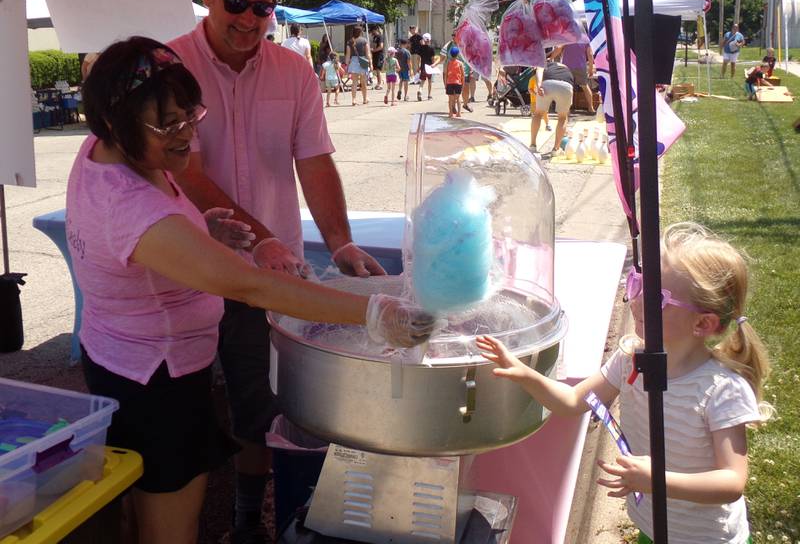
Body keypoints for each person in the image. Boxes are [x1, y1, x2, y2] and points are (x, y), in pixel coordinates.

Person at [68, 36, 435, 544]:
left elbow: (144, 246)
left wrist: (198, 231)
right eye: (166, 124)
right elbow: (253, 287)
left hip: (125, 357)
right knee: (169, 521)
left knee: (137, 495)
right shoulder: (130, 207)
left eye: (188, 116)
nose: (184, 136)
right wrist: (375, 313)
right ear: (112, 121)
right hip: (155, 379)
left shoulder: (103, 153)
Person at [169, 0, 390, 544]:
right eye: (235, 5)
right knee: (176, 409)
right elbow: (183, 172)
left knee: (257, 400)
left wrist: (340, 242)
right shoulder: (170, 66)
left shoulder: (294, 71)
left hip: (268, 277)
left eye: (261, 8)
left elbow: (314, 162)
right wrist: (261, 238)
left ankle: (246, 517)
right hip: (181, 268)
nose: (248, 20)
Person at [478, 221, 771, 544]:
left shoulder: (721, 390)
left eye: (657, 297)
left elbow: (731, 483)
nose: (636, 301)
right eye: (637, 284)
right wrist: (524, 373)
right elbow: (575, 402)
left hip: (707, 538)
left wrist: (656, 480)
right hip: (652, 525)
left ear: (702, 323)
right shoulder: (631, 358)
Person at [530, 58, 574, 155]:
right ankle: (556, 149)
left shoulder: (544, 64)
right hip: (566, 85)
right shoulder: (566, 67)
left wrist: (538, 86)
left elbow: (539, 71)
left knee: (538, 114)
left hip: (548, 84)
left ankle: (533, 145)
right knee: (562, 117)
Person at [556, 41, 595, 113]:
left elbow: (559, 48)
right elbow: (590, 54)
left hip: (567, 67)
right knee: (585, 87)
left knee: (566, 87)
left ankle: (566, 108)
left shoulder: (567, 38)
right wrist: (591, 69)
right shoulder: (585, 40)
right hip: (580, 67)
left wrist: (551, 57)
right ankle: (591, 108)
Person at [440, 32, 472, 113]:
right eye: (453, 36)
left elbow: (470, 56)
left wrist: (471, 67)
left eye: (455, 36)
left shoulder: (465, 44)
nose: (454, 38)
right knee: (452, 92)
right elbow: (442, 58)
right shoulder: (448, 45)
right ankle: (453, 107)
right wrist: (436, 65)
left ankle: (465, 104)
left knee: (466, 88)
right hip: (451, 71)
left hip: (464, 70)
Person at [345, 25, 371, 106]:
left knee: (354, 83)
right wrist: (370, 63)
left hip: (353, 61)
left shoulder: (349, 42)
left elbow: (348, 55)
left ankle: (354, 100)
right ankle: (365, 99)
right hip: (363, 61)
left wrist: (347, 65)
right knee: (363, 82)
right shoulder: (364, 41)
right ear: (360, 32)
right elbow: (368, 53)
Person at [444, 46, 465, 117]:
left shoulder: (448, 63)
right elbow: (463, 75)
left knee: (450, 99)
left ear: (450, 54)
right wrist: (463, 84)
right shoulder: (460, 63)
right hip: (458, 83)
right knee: (458, 98)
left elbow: (446, 74)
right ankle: (459, 113)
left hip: (449, 83)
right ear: (457, 54)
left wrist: (445, 84)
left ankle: (450, 113)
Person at [417, 33, 437, 101]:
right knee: (429, 81)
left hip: (423, 66)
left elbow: (419, 58)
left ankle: (420, 90)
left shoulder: (421, 48)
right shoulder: (431, 48)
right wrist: (434, 65)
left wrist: (418, 66)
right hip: (429, 67)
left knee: (422, 80)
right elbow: (433, 58)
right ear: (429, 40)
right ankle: (429, 95)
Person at [370, 25, 385, 90]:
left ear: (376, 30)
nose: (372, 32)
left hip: (379, 55)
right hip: (375, 55)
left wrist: (374, 50)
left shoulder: (380, 37)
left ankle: (380, 84)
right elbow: (374, 45)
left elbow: (381, 46)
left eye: (372, 31)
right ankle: (379, 82)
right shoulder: (374, 37)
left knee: (378, 70)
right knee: (376, 70)